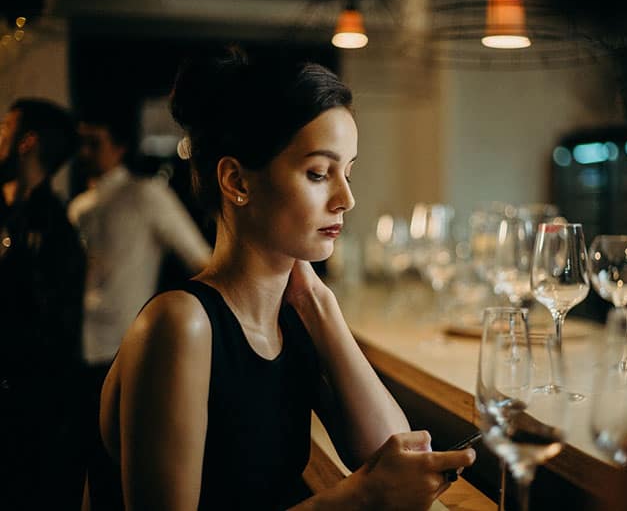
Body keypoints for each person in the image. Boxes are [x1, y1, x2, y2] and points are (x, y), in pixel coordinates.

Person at [83, 46, 476, 510]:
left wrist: (320, 305)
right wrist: (360, 497)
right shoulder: (180, 325)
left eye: (348, 172)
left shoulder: (293, 318)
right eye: (318, 173)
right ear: (237, 182)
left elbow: (399, 454)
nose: (346, 198)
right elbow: (380, 484)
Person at [67, 108, 212, 413]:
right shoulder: (77, 207)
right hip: (76, 344)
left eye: (94, 143)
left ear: (119, 147)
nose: (84, 152)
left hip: (124, 343)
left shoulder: (145, 195)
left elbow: (200, 260)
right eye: (81, 143)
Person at [0, 98, 87, 509]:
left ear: (27, 140)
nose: (0, 132)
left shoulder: (58, 234)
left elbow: (55, 336)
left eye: (7, 125)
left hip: (25, 418)